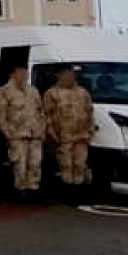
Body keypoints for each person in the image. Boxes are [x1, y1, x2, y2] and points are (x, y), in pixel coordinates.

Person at [43, 64, 95, 202]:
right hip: (63, 136)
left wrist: (90, 131)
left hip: (81, 135)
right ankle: (67, 191)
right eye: (67, 75)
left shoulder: (83, 93)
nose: (70, 77)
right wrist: (51, 133)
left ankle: (78, 191)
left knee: (80, 163)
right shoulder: (51, 93)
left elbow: (90, 112)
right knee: (66, 164)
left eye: (72, 75)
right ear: (60, 76)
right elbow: (47, 115)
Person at [0, 64, 46, 203]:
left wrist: (42, 130)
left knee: (35, 163)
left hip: (34, 134)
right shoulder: (4, 91)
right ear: (12, 74)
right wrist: (7, 133)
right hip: (17, 134)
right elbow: (1, 115)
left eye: (26, 73)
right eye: (21, 73)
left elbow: (41, 112)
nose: (24, 76)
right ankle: (20, 190)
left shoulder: (33, 90)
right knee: (19, 163)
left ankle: (33, 189)